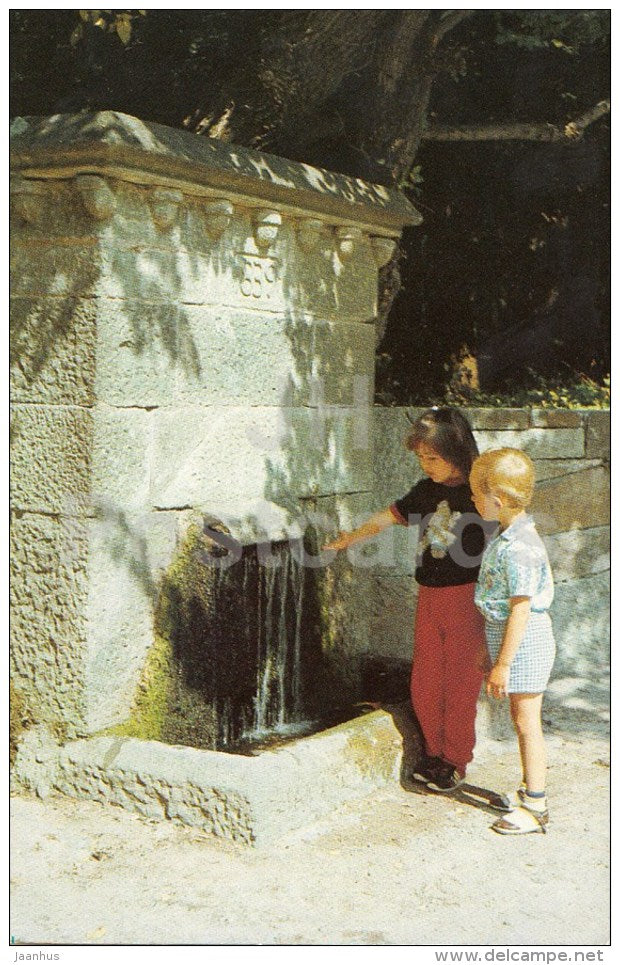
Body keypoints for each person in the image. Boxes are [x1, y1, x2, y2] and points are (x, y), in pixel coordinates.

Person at [324, 407, 492, 792]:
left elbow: (504, 533)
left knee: (461, 682)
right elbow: (387, 517)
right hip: (430, 596)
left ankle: (455, 760)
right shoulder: (425, 490)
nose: (426, 464)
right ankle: (434, 752)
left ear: (457, 450)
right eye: (420, 457)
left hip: (466, 597)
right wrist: (351, 537)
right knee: (427, 677)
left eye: (432, 457)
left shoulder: (480, 493)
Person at [469, 448, 556, 834]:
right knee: (523, 719)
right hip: (510, 640)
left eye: (476, 494)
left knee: (526, 722)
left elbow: (520, 610)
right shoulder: (510, 534)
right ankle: (529, 790)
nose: (472, 500)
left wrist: (503, 663)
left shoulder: (520, 547)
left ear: (497, 501)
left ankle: (535, 803)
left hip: (525, 643)